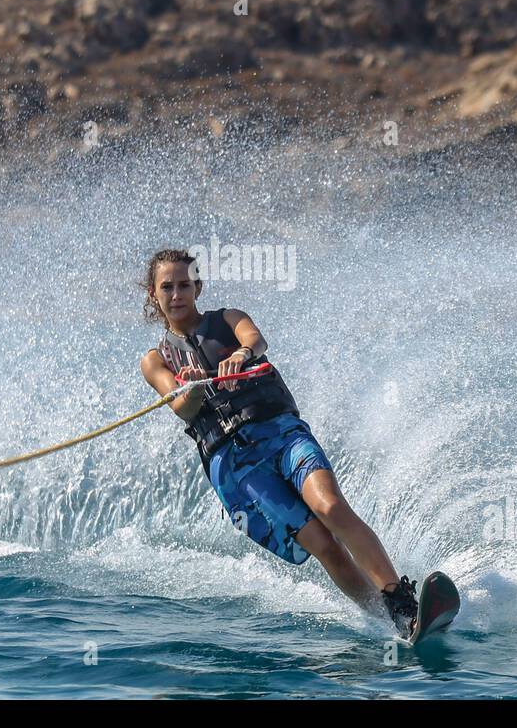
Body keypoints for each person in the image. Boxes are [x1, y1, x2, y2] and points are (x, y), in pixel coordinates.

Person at [138, 248, 419, 635]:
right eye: (166, 287)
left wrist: (241, 353)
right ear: (154, 294)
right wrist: (194, 388)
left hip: (280, 432)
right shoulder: (156, 360)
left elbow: (256, 339)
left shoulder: (228, 319)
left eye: (184, 284)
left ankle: (402, 601)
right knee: (325, 546)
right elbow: (183, 410)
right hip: (236, 466)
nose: (176, 294)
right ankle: (393, 623)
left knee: (331, 506)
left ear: (198, 287)